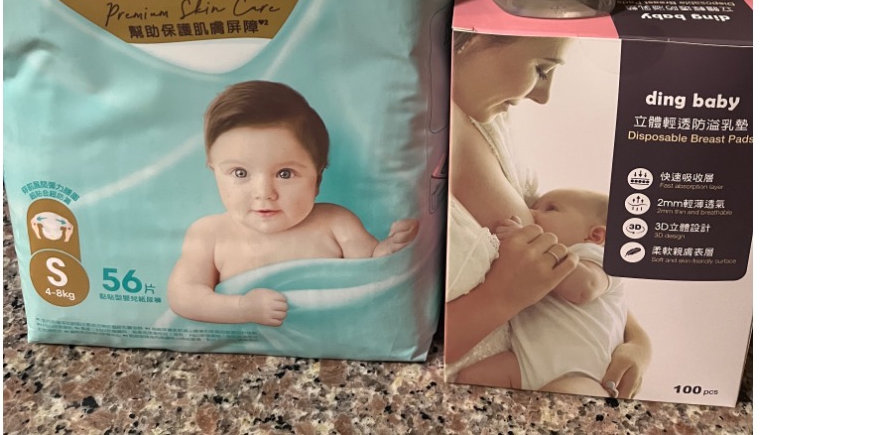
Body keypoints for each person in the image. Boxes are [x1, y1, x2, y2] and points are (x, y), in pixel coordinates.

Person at [445, 32, 650, 398]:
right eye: (541, 68)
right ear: (471, 39)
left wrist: (638, 342)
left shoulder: (490, 120)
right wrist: (498, 297)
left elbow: (591, 288)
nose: (543, 96)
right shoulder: (397, 152)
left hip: (555, 377)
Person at [167, 80, 419, 327]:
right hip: (250, 345)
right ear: (214, 171)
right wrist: (242, 308)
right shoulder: (210, 234)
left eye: (285, 173)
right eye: (240, 173)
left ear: (317, 179)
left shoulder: (335, 223)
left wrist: (391, 249)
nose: (264, 193)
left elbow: (372, 273)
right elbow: (184, 296)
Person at [456, 188, 628, 396]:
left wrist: (526, 240)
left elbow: (584, 288)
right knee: (471, 379)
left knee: (560, 401)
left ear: (595, 235)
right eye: (533, 207)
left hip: (580, 375)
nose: (531, 213)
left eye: (551, 208)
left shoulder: (597, 258)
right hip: (526, 364)